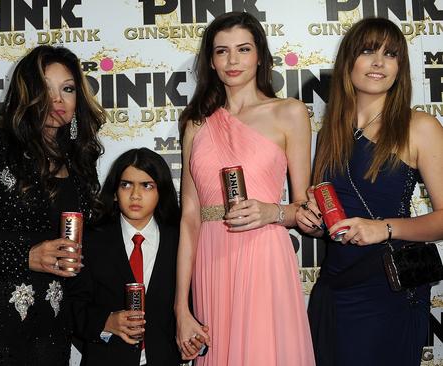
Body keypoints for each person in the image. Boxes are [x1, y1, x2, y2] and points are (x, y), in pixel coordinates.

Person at [0, 45, 105, 365]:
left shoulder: (80, 163)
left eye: (67, 89)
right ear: (27, 92)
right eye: (45, 88)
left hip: (52, 332)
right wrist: (25, 256)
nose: (57, 100)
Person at [296, 17, 443, 366]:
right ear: (349, 62)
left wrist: (385, 228)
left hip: (389, 289)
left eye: (390, 54)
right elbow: (331, 218)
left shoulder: (419, 127)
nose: (379, 62)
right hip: (334, 288)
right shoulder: (330, 132)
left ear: (399, 69)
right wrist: (312, 222)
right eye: (368, 51)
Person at [173, 11, 315, 365]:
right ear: (211, 60)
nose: (232, 60)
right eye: (222, 51)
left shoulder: (289, 113)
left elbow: (306, 210)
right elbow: (189, 216)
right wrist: (180, 307)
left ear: (260, 55)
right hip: (211, 256)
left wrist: (273, 211)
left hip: (263, 255)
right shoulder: (195, 123)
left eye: (243, 49)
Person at [69, 148, 182, 366]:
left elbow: (192, 304)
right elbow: (72, 306)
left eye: (147, 185)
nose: (135, 195)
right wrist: (106, 321)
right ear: (114, 191)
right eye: (126, 184)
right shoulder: (91, 241)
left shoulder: (179, 241)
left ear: (162, 192)